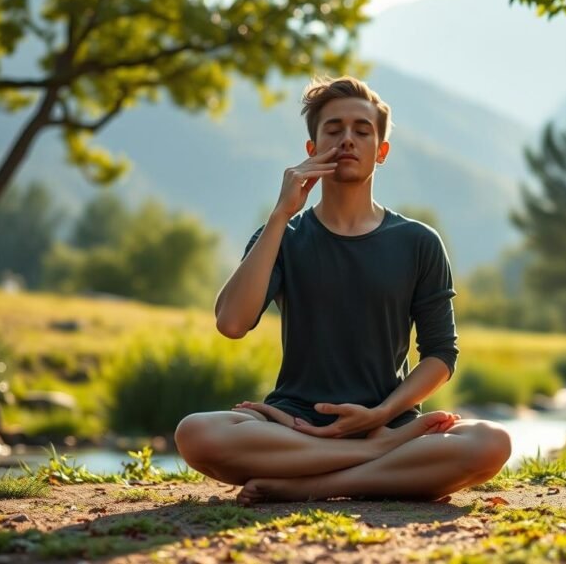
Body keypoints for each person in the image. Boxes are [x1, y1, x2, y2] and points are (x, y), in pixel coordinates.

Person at [175, 76, 511, 505]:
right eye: (333, 130)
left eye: (362, 130)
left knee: (490, 442)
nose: (347, 139)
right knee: (196, 433)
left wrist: (381, 417)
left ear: (381, 151)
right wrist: (281, 214)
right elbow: (232, 323)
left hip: (389, 423)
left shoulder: (419, 241)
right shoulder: (282, 235)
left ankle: (318, 483)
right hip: (293, 427)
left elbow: (441, 355)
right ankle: (372, 461)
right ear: (311, 150)